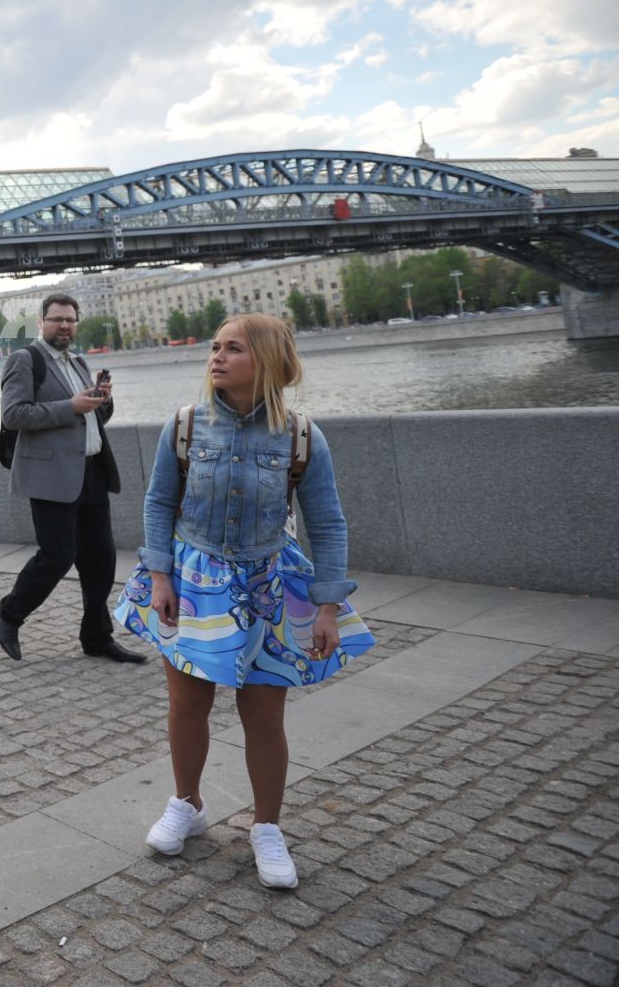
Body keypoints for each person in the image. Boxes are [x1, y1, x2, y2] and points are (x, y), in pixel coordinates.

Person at [114, 314, 376, 889]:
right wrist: (160, 577)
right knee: (188, 705)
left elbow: (328, 523)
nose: (216, 356)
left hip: (269, 586)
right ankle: (188, 803)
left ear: (266, 359)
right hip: (194, 582)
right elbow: (159, 503)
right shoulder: (184, 426)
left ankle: (267, 827)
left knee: (263, 716)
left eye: (233, 348)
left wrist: (328, 606)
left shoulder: (302, 437)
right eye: (214, 347)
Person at [0, 293, 145, 665]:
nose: (64, 326)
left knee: (101, 560)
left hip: (91, 470)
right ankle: (9, 613)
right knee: (57, 556)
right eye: (57, 319)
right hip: (51, 476)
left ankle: (96, 637)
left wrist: (101, 402)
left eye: (70, 320)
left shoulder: (77, 361)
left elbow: (89, 420)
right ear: (41, 322)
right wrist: (71, 406)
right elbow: (14, 415)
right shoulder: (24, 360)